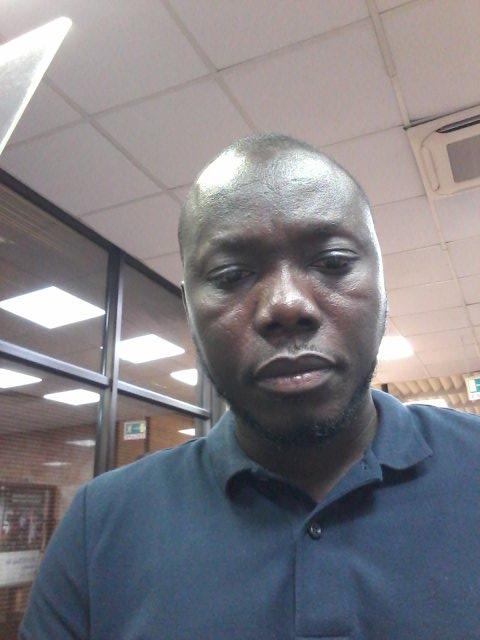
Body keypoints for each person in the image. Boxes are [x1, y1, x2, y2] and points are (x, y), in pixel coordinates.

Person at [20, 135, 480, 639]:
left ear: (383, 283)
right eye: (231, 275)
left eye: (332, 262)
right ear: (189, 310)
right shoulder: (99, 530)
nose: (286, 305)